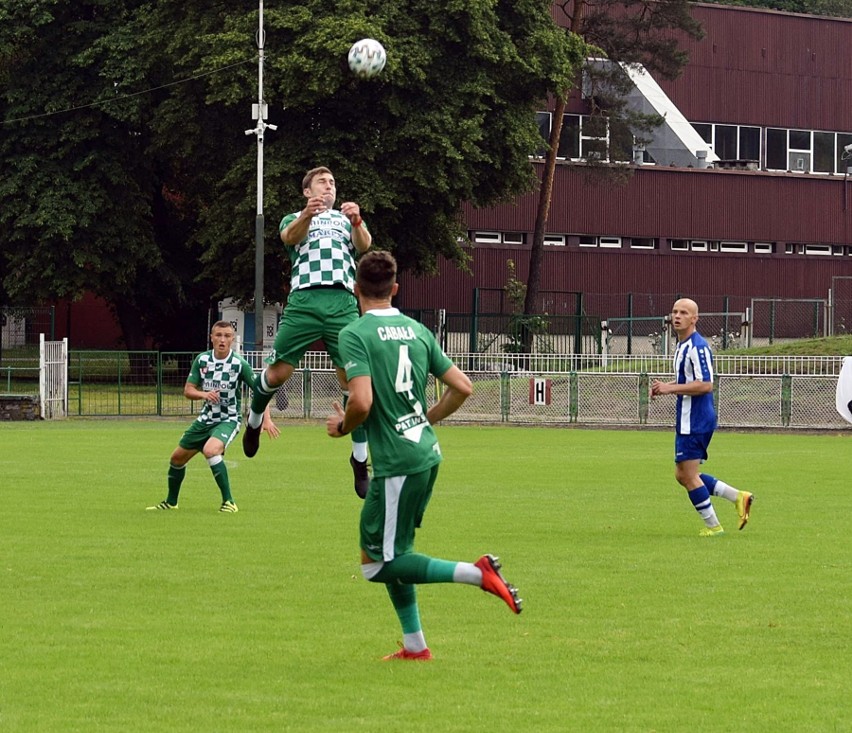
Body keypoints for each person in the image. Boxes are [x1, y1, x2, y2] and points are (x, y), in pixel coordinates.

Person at [325, 250, 522, 661]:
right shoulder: (417, 330)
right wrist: (426, 419)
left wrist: (342, 426)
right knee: (397, 553)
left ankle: (477, 573)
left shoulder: (354, 333)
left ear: (356, 290)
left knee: (375, 565)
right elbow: (463, 386)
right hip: (426, 453)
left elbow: (360, 402)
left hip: (398, 464)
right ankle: (416, 647)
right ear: (395, 289)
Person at [242, 166, 372, 497]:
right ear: (307, 191)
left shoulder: (345, 219)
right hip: (304, 299)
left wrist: (357, 221)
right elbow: (289, 238)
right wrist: (307, 214)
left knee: (353, 381)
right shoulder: (294, 217)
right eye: (322, 182)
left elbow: (364, 245)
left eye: (332, 182)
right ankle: (255, 420)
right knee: (278, 373)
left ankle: (359, 460)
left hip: (342, 301)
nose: (329, 187)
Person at [147, 321, 279, 513]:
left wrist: (266, 419)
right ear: (211, 338)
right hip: (205, 419)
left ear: (233, 340)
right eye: (218, 335)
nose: (222, 340)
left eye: (227, 336)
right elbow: (188, 390)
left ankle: (229, 502)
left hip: (228, 419)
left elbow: (260, 391)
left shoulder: (239, 364)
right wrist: (204, 395)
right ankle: (171, 502)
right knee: (176, 459)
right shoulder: (202, 360)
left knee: (211, 450)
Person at [651, 298, 754, 537]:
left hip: (696, 419)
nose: (677, 316)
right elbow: (688, 381)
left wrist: (669, 389)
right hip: (688, 418)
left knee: (687, 475)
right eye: (675, 311)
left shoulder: (698, 347)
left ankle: (714, 526)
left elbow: (706, 385)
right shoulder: (682, 345)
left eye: (684, 312)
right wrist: (665, 386)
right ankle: (739, 497)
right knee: (683, 474)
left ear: (694, 318)